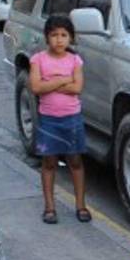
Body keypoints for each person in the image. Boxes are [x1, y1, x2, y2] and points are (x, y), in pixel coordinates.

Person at [29, 14, 91, 224]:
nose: (59, 39)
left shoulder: (75, 60)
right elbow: (36, 88)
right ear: (47, 37)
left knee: (75, 161)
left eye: (64, 35)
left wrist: (52, 82)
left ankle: (81, 205)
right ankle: (49, 207)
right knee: (49, 163)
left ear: (71, 38)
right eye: (54, 35)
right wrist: (64, 80)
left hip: (72, 119)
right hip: (48, 120)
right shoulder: (38, 60)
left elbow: (78, 88)